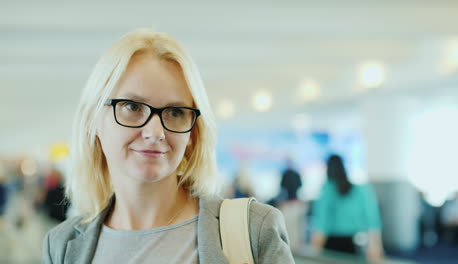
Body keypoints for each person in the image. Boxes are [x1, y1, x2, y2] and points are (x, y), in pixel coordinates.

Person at [42, 29, 294, 263]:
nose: (155, 132)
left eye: (175, 111)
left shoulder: (254, 230)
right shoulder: (62, 246)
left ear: (193, 132)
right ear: (93, 120)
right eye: (132, 107)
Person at [311, 154, 383, 261]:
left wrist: (313, 253)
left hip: (332, 246)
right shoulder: (362, 190)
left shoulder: (327, 190)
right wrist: (376, 245)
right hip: (357, 244)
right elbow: (372, 219)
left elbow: (321, 225)